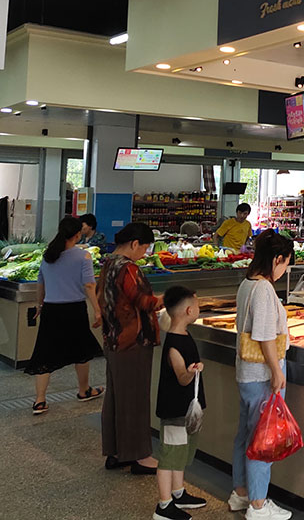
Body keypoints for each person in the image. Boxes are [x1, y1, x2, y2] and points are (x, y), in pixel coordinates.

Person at [229, 230, 294, 520]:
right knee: (263, 440)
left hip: (247, 373)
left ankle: (241, 493)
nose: (285, 270)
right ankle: (258, 505)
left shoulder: (247, 283)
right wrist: (276, 371)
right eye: (286, 263)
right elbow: (265, 335)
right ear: (277, 259)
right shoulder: (264, 289)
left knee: (246, 434)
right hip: (262, 375)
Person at [98, 222, 162, 474]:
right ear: (135, 244)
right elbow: (143, 301)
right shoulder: (128, 268)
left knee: (116, 396)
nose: (145, 254)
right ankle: (140, 456)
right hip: (133, 340)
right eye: (144, 248)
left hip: (113, 337)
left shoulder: (108, 263)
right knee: (135, 398)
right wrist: (166, 300)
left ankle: (115, 452)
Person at [25, 216, 104, 415]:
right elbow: (89, 285)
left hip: (51, 310)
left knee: (45, 352)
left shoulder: (48, 256)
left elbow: (40, 283)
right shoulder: (83, 256)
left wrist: (40, 305)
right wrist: (97, 309)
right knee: (81, 351)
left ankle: (40, 400)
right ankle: (84, 390)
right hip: (74, 309)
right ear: (77, 235)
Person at [153, 286, 207, 520]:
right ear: (188, 310)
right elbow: (182, 378)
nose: (198, 309)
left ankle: (178, 492)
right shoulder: (175, 344)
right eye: (196, 305)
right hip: (175, 409)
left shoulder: (182, 335)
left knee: (181, 452)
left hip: (184, 409)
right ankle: (164, 505)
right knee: (170, 456)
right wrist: (191, 371)